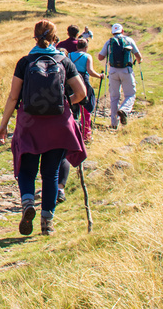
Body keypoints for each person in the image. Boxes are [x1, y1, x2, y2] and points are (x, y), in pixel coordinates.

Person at [0, 20, 88, 236]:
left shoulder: (25, 62)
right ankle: (47, 222)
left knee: (27, 169)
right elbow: (82, 92)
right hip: (58, 124)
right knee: (51, 173)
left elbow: (13, 97)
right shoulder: (64, 61)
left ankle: (28, 203)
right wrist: (66, 102)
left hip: (29, 123)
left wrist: (3, 126)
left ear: (35, 37)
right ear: (55, 38)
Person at [57, 37, 103, 202]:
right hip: (81, 82)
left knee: (75, 112)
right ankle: (85, 134)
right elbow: (89, 71)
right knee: (86, 112)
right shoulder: (87, 56)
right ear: (87, 46)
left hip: (68, 87)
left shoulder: (70, 57)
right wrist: (99, 76)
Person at [97, 23, 143, 128]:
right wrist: (139, 61)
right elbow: (138, 56)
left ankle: (114, 124)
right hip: (126, 70)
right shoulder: (129, 40)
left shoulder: (109, 42)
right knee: (130, 94)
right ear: (122, 31)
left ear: (112, 32)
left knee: (114, 97)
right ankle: (124, 110)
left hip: (113, 71)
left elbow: (100, 57)